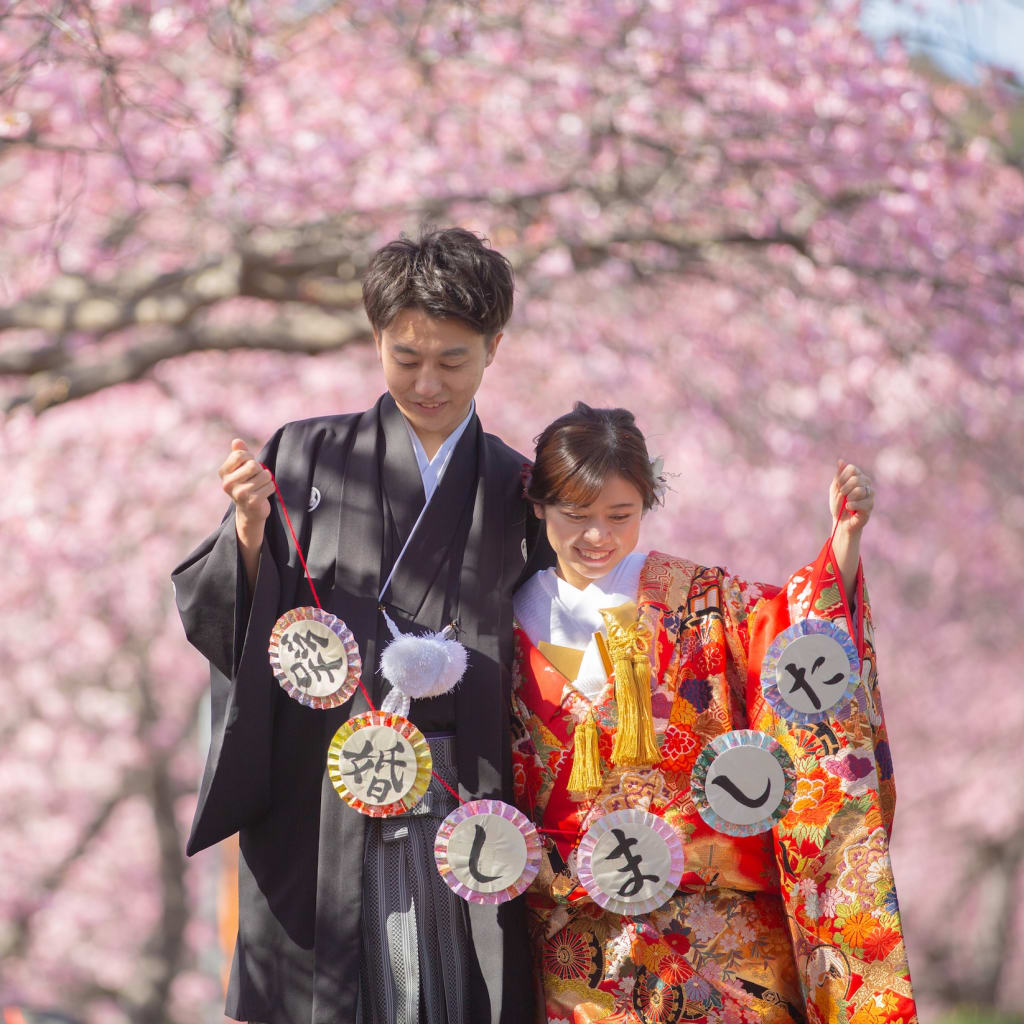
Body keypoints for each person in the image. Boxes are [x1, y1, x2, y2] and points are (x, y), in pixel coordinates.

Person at [172, 228, 550, 1024]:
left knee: (454, 993)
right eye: (405, 357)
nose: (427, 382)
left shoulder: (519, 487)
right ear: (376, 339)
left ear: (494, 348)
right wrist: (247, 531)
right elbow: (228, 620)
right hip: (324, 794)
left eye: (452, 360)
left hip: (463, 797)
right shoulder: (306, 455)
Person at [510, 404, 917, 1024]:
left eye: (620, 515)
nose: (597, 536)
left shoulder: (701, 597)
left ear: (647, 503)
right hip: (579, 944)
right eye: (575, 515)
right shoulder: (503, 621)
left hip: (723, 936)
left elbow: (790, 642)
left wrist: (841, 549)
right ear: (539, 506)